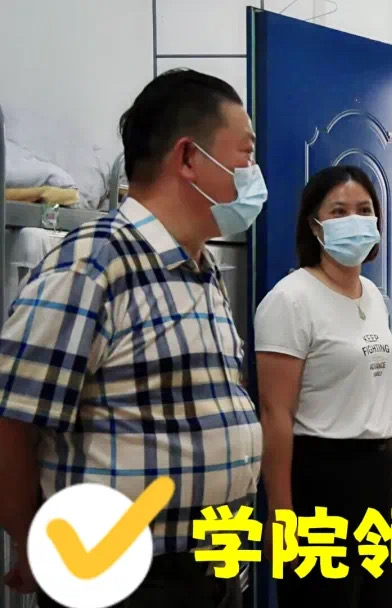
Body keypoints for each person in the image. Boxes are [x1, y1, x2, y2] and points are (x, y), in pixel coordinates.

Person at [0, 68, 262, 606]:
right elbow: (13, 422)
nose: (253, 174)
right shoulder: (93, 262)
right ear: (189, 158)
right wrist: (30, 542)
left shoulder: (202, 268)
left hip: (214, 565)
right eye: (246, 153)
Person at [254, 164, 392, 607]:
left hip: (378, 475)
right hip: (321, 478)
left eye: (364, 210)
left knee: (378, 598)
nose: (354, 220)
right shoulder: (290, 299)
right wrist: (281, 513)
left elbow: (380, 390)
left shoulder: (372, 296)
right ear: (315, 225)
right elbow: (275, 414)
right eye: (339, 211)